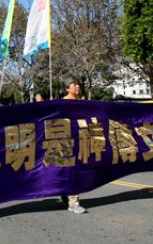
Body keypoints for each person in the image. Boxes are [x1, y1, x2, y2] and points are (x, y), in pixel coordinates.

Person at [61, 79, 87, 214]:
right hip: (66, 143)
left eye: (78, 84)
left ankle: (67, 196)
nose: (77, 86)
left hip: (80, 141)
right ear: (67, 88)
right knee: (72, 172)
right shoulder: (63, 103)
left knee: (72, 172)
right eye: (74, 85)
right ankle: (73, 203)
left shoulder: (81, 102)